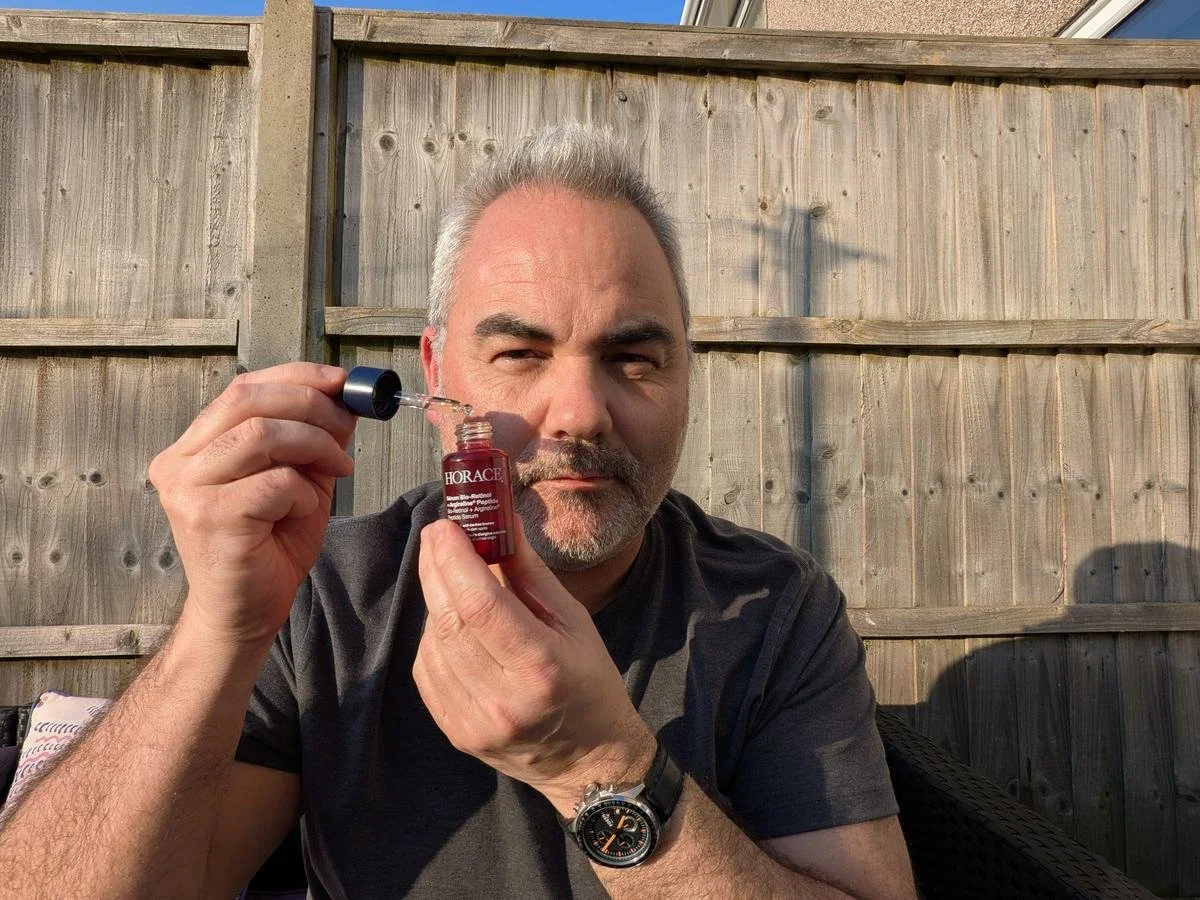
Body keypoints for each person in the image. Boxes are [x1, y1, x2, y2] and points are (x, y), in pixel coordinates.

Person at [0, 125, 915, 898]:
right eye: (520, 352)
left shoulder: (775, 608)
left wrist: (598, 765)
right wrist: (218, 631)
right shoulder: (324, 598)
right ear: (436, 373)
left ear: (685, 372)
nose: (582, 412)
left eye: (634, 358)